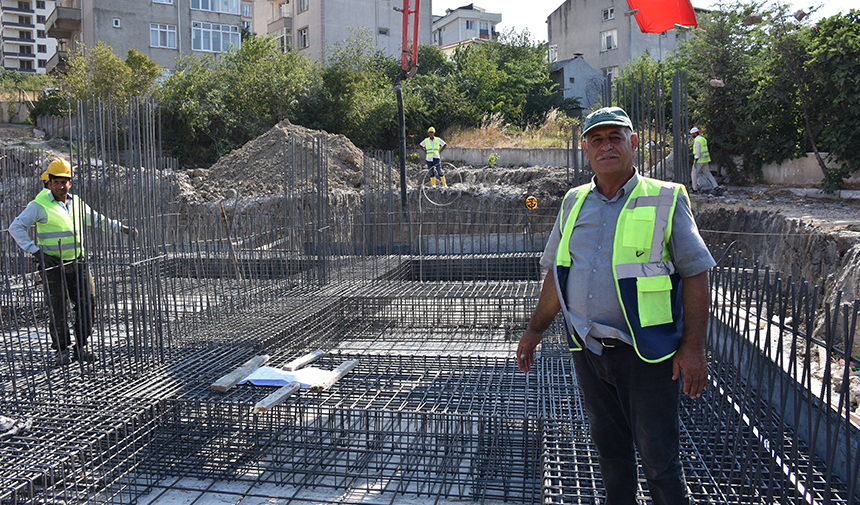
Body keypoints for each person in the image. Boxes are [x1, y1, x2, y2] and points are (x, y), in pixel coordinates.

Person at [517, 106, 715, 505]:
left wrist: (693, 348)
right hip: (589, 350)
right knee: (610, 453)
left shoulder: (665, 197)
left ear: (633, 143)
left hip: (648, 354)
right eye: (597, 139)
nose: (606, 145)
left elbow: (696, 272)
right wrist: (535, 329)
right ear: (586, 148)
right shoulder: (573, 202)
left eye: (615, 137)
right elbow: (557, 274)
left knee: (658, 458)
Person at [8, 158, 136, 365]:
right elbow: (16, 227)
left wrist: (121, 227)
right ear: (49, 182)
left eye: (65, 181)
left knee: (88, 302)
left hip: (77, 262)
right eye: (57, 181)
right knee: (57, 307)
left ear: (70, 182)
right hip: (53, 265)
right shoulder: (39, 205)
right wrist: (35, 252)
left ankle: (81, 346)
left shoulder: (76, 203)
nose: (61, 185)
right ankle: (61, 349)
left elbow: (97, 220)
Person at [690, 127, 718, 193]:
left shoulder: (697, 141)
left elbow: (698, 151)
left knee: (694, 174)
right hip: (705, 160)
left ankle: (694, 189)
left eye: (692, 134)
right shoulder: (703, 139)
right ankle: (716, 186)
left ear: (695, 134)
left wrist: (696, 159)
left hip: (699, 161)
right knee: (708, 173)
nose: (691, 136)